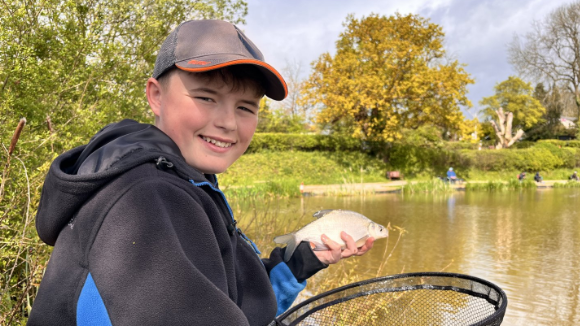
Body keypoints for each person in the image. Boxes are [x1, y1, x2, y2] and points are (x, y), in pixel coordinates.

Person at [27, 20, 375, 326]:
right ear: (156, 96)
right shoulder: (148, 197)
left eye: (245, 107)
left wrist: (302, 261)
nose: (226, 122)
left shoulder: (186, 179)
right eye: (206, 97)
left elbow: (234, 301)